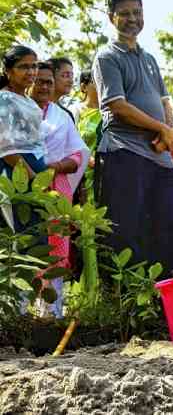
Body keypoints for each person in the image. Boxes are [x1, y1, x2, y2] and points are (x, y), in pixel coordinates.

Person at [93, 0, 173, 273]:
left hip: (159, 156)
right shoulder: (107, 56)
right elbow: (117, 105)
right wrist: (162, 130)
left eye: (137, 12)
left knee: (166, 232)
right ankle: (123, 307)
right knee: (125, 234)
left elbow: (165, 101)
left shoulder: (150, 59)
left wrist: (165, 132)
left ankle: (161, 303)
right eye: (125, 13)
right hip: (124, 153)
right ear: (111, 17)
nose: (132, 19)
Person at [29, 62, 89, 317]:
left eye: (48, 82)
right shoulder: (17, 110)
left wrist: (56, 166)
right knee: (25, 246)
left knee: (56, 250)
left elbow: (79, 153)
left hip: (56, 188)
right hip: (22, 187)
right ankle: (17, 314)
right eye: (39, 81)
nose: (44, 86)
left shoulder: (61, 115)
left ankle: (51, 313)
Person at [0, 46, 47, 230]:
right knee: (21, 236)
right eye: (24, 67)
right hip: (15, 173)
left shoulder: (28, 101)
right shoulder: (4, 99)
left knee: (37, 236)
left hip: (34, 171)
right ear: (8, 71)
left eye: (34, 66)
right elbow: (5, 147)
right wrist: (33, 177)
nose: (31, 71)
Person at [76, 70, 101, 203]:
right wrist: (88, 159)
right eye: (96, 82)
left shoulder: (109, 111)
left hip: (106, 172)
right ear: (84, 87)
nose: (101, 85)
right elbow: (71, 141)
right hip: (83, 173)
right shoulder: (77, 111)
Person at [49, 56, 80, 123]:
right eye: (66, 75)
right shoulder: (34, 107)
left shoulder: (66, 115)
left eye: (72, 76)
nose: (71, 81)